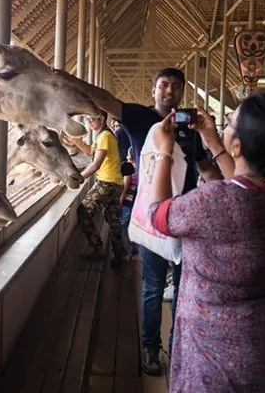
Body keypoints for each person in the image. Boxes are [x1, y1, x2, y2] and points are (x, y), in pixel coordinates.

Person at [148, 92, 265, 393]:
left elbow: (158, 216)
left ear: (237, 145)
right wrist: (212, 140)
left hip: (215, 347)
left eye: (229, 125)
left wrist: (164, 152)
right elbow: (248, 183)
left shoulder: (213, 202)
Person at [70, 67, 221, 375]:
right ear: (154, 90)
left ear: (181, 93)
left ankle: (177, 346)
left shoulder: (191, 130)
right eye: (164, 84)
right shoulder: (139, 119)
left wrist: (225, 185)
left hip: (187, 216)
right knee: (153, 287)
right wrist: (70, 80)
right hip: (152, 216)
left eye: (176, 86)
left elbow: (206, 170)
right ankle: (150, 348)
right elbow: (104, 98)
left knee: (184, 288)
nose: (170, 90)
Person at [71, 110, 124, 269]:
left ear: (102, 119)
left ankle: (97, 248)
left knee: (84, 212)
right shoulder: (102, 135)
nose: (89, 122)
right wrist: (77, 142)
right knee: (112, 219)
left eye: (92, 119)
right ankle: (118, 253)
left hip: (107, 183)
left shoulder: (106, 136)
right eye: (87, 119)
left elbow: (96, 164)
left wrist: (79, 178)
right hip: (116, 182)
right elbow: (91, 152)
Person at [119, 147, 138, 259]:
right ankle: (134, 250)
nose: (126, 157)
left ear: (131, 156)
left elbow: (126, 187)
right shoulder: (140, 168)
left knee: (123, 227)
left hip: (128, 202)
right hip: (136, 203)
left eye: (128, 155)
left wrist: (121, 200)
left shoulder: (128, 168)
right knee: (134, 227)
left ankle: (125, 252)